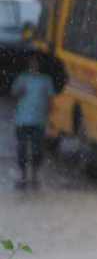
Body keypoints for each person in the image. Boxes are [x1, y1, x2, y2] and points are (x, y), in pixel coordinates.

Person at [11, 54, 56, 189]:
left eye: (36, 63)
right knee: (22, 149)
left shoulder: (46, 80)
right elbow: (14, 94)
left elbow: (50, 100)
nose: (33, 65)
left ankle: (35, 175)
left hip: (39, 120)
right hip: (22, 120)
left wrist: (50, 119)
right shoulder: (22, 78)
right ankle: (24, 176)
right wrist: (20, 91)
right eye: (31, 63)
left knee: (37, 149)